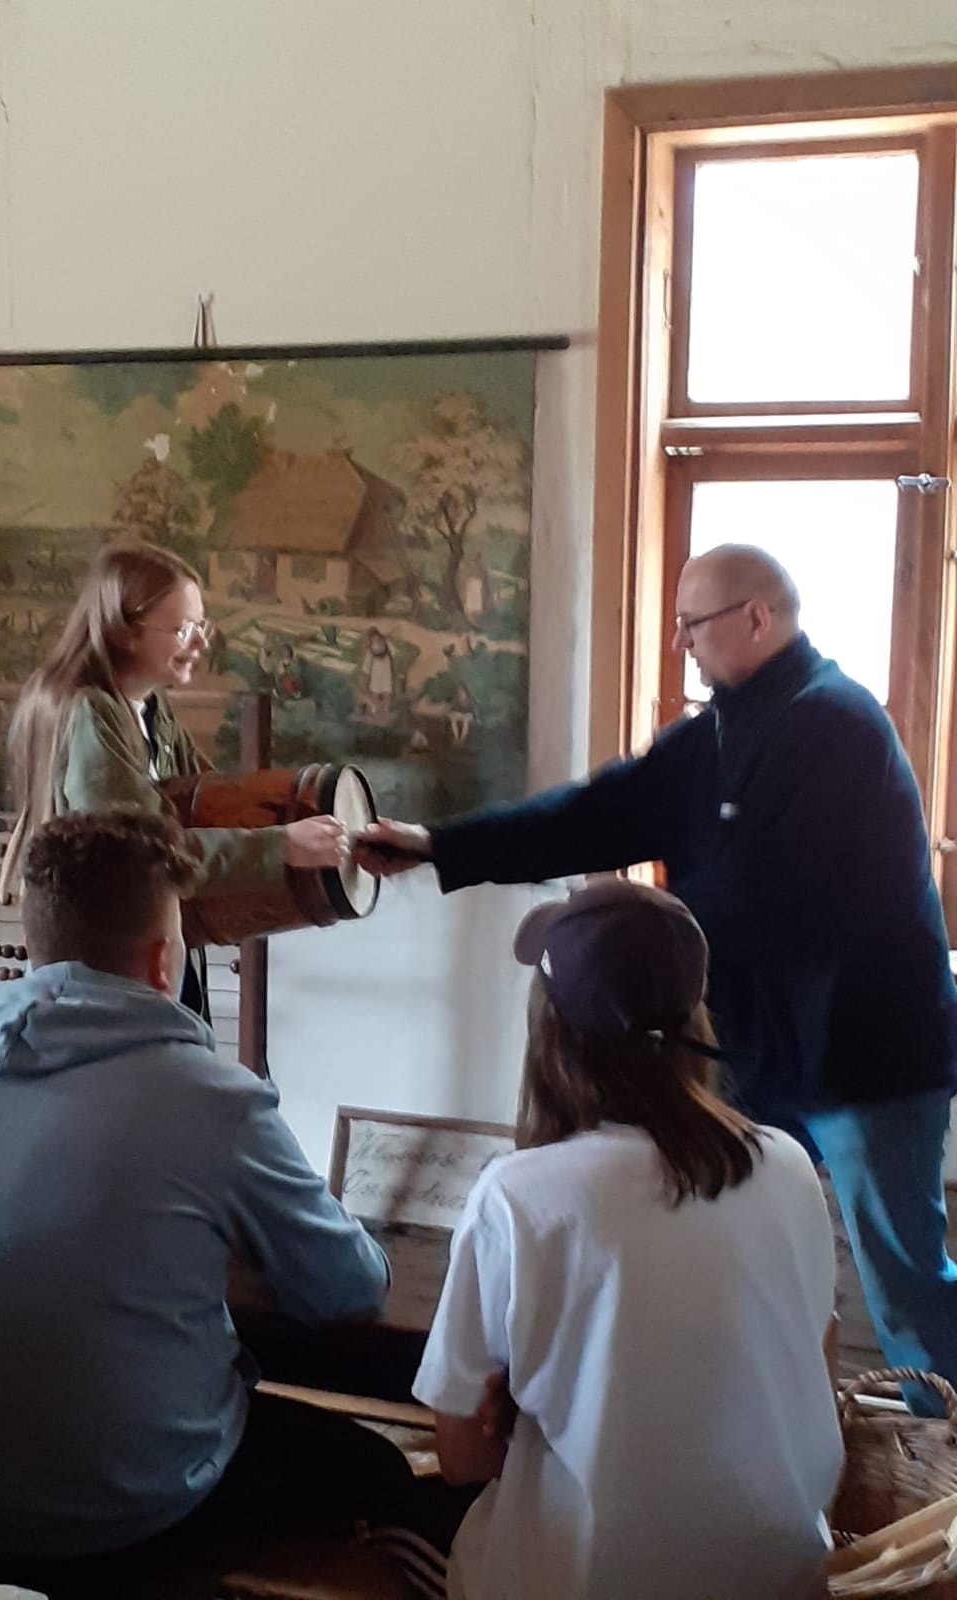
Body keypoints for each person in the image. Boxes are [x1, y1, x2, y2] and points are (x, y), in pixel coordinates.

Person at [360, 543, 957, 1413]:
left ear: (757, 619)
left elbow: (761, 897)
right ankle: (769, 1435)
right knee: (744, 1258)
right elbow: (593, 815)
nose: (680, 643)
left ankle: (940, 1472)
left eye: (692, 624)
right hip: (758, 1050)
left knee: (904, 1286)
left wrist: (629, 945)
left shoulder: (842, 725)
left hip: (871, 1060)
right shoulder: (707, 736)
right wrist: (442, 846)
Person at [0, 807, 412, 1590]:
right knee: (380, 1469)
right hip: (124, 1516)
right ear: (163, 961)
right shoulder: (212, 1095)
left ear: (35, 945)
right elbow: (348, 1288)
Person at [413, 880, 843, 1600]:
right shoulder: (789, 1167)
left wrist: (519, 1413)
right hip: (781, 1575)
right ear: (696, 1016)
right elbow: (814, 1382)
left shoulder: (517, 1196)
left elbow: (459, 1457)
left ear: (552, 1031)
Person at [2, 543, 348, 1016]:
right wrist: (280, 846)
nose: (201, 643)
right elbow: (137, 855)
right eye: (184, 629)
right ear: (124, 629)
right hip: (105, 969)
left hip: (144, 953)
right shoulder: (89, 711)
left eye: (202, 626)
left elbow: (207, 802)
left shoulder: (150, 704)